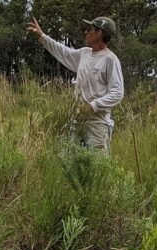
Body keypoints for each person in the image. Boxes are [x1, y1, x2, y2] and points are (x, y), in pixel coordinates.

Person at [26, 16, 124, 153]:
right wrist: (42, 36)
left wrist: (93, 106)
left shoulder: (110, 60)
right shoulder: (84, 54)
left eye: (90, 29)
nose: (86, 32)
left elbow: (117, 93)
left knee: (96, 168)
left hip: (97, 126)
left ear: (99, 34)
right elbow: (63, 53)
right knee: (72, 166)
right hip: (76, 122)